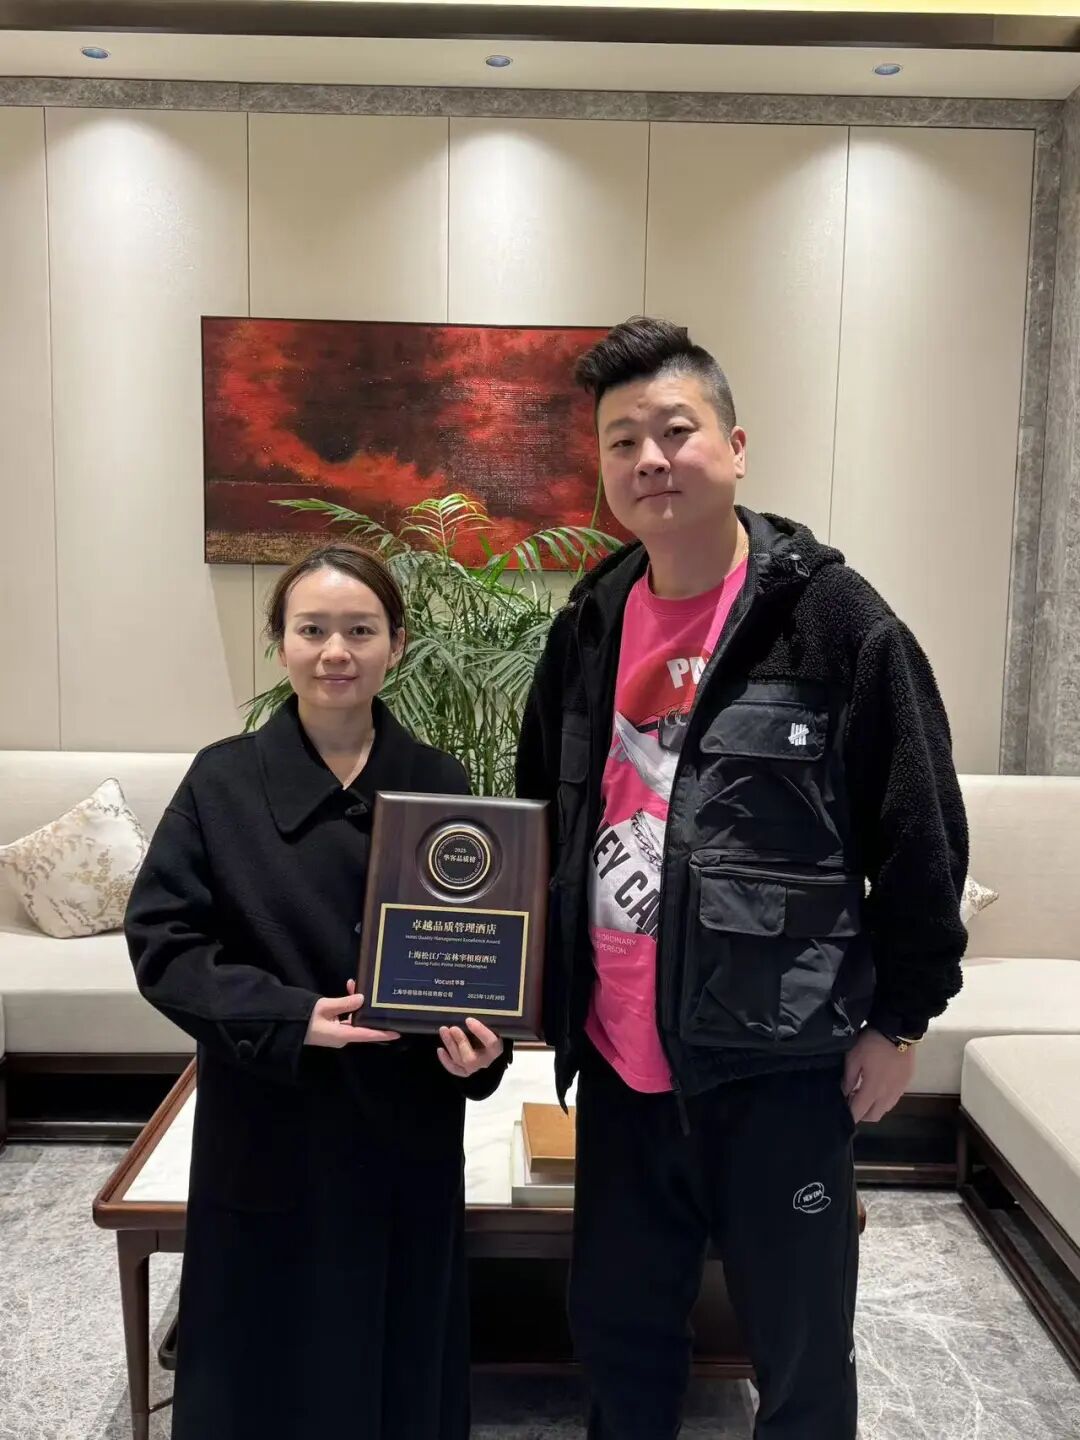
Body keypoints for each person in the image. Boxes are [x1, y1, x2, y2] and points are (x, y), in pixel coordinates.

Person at [515, 317, 968, 1439]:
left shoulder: (834, 620)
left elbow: (921, 834)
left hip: (778, 1069)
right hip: (619, 1064)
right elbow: (542, 818)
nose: (650, 459)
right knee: (619, 1340)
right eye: (622, 441)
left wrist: (901, 1019)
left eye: (676, 430)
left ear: (737, 445)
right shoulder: (589, 622)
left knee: (801, 1356)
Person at [126, 541, 508, 1440]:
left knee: (398, 1347)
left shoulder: (440, 781)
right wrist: (290, 1016)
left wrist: (481, 1049)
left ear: (396, 645)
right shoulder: (221, 780)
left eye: (361, 630)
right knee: (265, 1353)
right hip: (271, 1122)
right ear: (281, 644)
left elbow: (481, 950)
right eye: (313, 630)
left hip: (405, 1124)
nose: (336, 651)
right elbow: (163, 944)